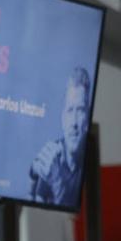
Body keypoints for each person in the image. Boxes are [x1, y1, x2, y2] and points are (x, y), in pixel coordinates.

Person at [30, 67, 93, 208]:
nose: (74, 122)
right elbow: (33, 206)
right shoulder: (53, 157)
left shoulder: (90, 161)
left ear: (88, 119)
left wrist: (56, 179)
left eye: (81, 110)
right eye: (70, 110)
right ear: (62, 119)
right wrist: (33, 175)